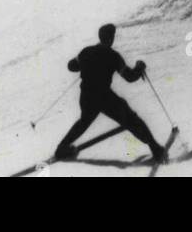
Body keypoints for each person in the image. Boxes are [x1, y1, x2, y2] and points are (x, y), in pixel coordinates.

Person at [55, 23, 166, 163]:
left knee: (84, 121)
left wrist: (84, 64)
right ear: (111, 38)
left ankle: (61, 148)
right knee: (131, 119)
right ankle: (155, 148)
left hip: (86, 96)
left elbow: (71, 66)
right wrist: (139, 67)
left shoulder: (86, 52)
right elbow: (130, 77)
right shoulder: (113, 56)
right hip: (104, 97)